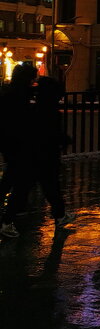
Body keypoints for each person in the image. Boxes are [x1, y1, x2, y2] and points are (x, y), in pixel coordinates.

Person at [28, 76, 75, 230]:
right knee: (49, 184)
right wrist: (64, 139)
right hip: (47, 153)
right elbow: (51, 131)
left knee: (44, 185)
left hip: (38, 151)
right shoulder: (50, 111)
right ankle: (59, 214)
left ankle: (60, 214)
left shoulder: (37, 109)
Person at [1, 64, 42, 238]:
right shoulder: (21, 96)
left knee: (11, 177)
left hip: (10, 142)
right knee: (22, 183)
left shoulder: (9, 93)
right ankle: (8, 220)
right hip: (20, 143)